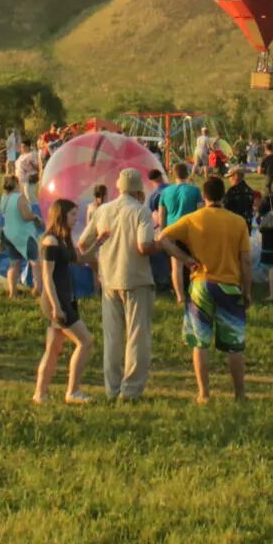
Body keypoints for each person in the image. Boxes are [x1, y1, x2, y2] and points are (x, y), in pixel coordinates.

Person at [158, 176, 251, 404]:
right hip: (229, 285)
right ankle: (239, 394)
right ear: (223, 195)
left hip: (200, 283)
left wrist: (186, 259)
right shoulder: (237, 222)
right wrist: (246, 291)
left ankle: (204, 393)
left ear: (204, 196)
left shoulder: (193, 219)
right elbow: (246, 261)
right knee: (234, 345)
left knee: (200, 342)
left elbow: (162, 238)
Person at [80, 167, 157, 401]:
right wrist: (160, 245)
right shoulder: (141, 212)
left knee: (112, 337)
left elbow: (83, 244)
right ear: (138, 190)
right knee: (137, 336)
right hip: (136, 279)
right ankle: (131, 390)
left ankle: (112, 389)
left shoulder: (103, 210)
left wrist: (98, 268)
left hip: (109, 279)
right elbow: (144, 246)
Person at [32, 199, 94, 404]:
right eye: (73, 215)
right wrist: (57, 307)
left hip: (65, 298)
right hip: (55, 301)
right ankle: (73, 391)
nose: (76, 219)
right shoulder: (50, 241)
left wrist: (100, 241)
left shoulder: (64, 239)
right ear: (61, 215)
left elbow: (81, 259)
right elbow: (47, 277)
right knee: (85, 341)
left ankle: (40, 394)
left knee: (53, 349)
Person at [155, 163, 203, 306]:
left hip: (172, 231)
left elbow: (161, 215)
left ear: (174, 175)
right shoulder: (194, 191)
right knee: (194, 264)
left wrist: (163, 233)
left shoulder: (165, 192)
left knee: (176, 266)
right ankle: (195, 294)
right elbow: (200, 212)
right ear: (187, 173)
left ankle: (180, 297)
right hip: (190, 231)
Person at [0, 174, 41, 299]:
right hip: (24, 235)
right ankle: (38, 289)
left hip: (8, 234)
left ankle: (13, 292)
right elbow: (26, 216)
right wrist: (36, 217)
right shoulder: (19, 198)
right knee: (35, 262)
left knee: (14, 264)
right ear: (16, 184)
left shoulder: (3, 198)